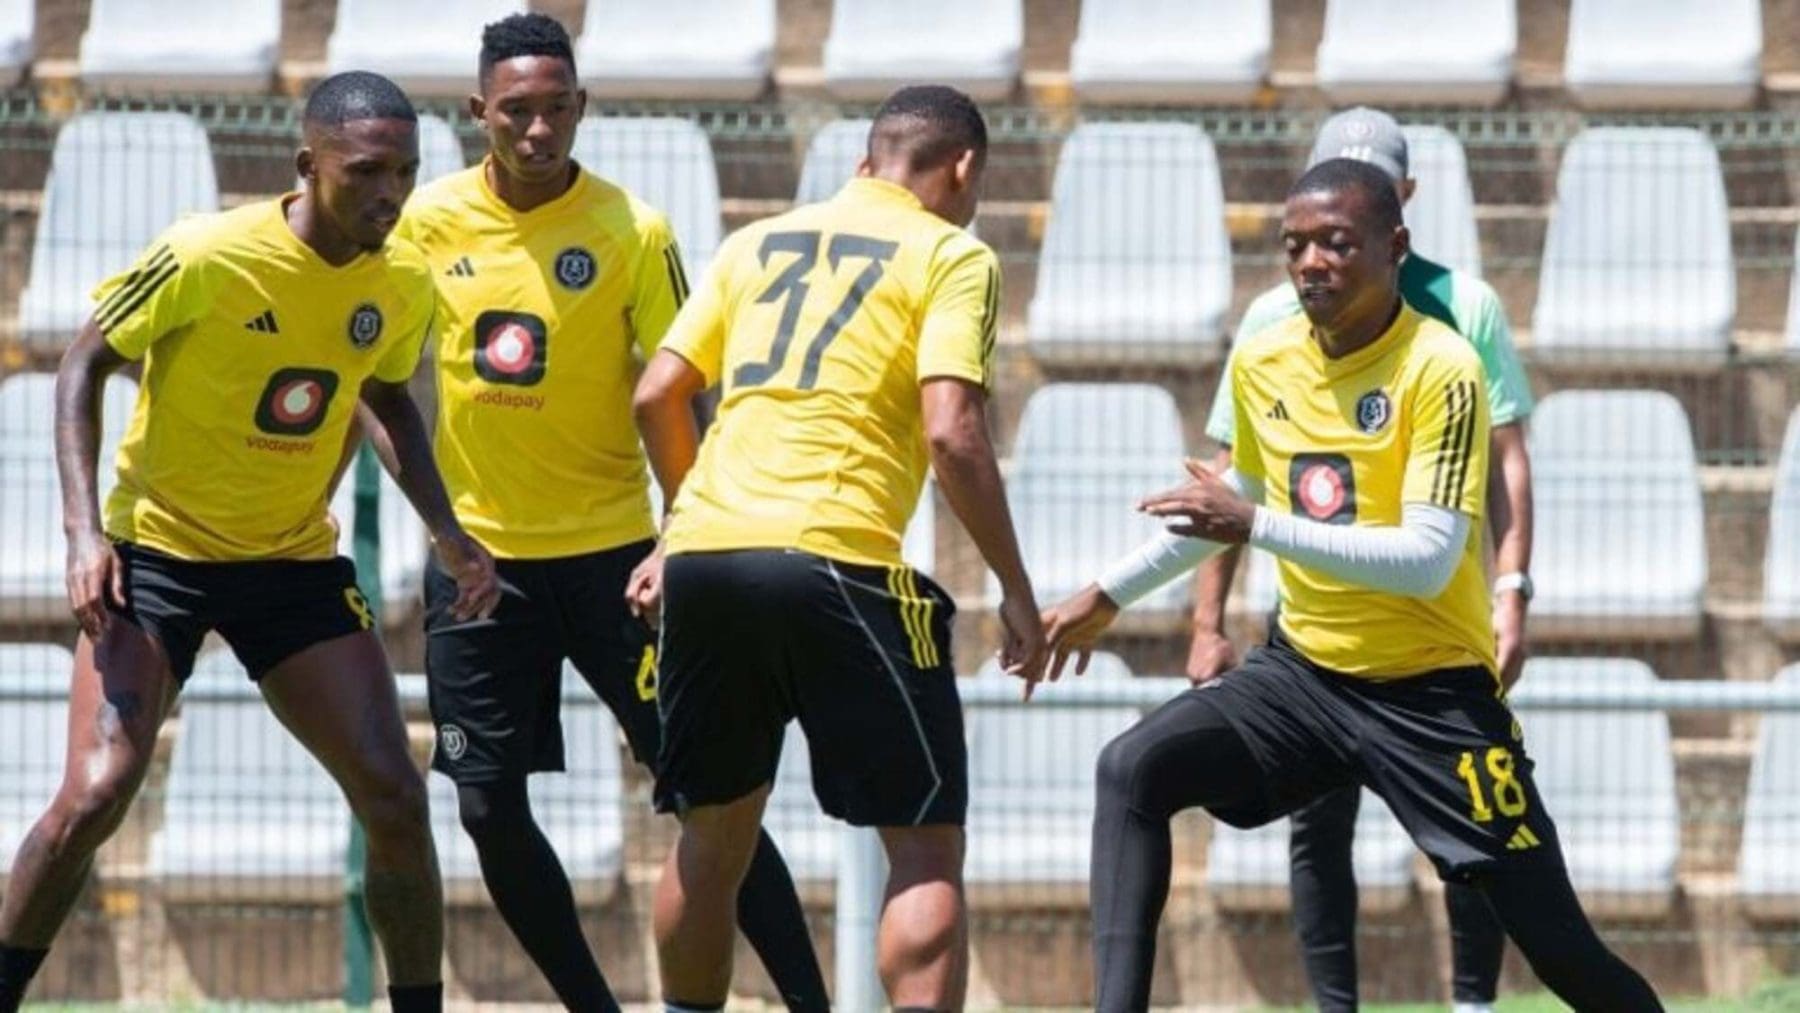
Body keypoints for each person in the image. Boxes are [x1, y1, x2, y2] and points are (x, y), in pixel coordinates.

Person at [1043, 158, 1662, 1013]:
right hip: (1304, 676)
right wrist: (1107, 594)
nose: (1311, 263)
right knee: (1132, 769)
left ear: (1394, 245)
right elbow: (1247, 496)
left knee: (1563, 950)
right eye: (1295, 245)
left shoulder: (1442, 368)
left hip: (1433, 696)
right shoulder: (1264, 360)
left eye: (1337, 242)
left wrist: (1252, 525)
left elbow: (1428, 557)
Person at [0, 72, 500, 1013]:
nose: (391, 194)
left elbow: (385, 394)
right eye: (366, 172)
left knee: (396, 794)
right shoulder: (207, 254)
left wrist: (449, 531)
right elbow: (83, 363)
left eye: (405, 172)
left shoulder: (399, 283)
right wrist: (83, 531)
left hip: (290, 565)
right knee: (98, 793)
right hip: (158, 562)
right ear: (308, 166)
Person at [375, 13, 827, 1011]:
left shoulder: (634, 230)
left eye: (557, 109)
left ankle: (810, 1001)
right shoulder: (424, 225)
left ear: (583, 108)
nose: (539, 131)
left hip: (622, 562)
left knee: (714, 802)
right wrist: (442, 526)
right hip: (479, 572)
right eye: (517, 112)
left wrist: (682, 534)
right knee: (486, 803)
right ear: (478, 113)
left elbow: (685, 390)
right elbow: (374, 378)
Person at [630, 85, 1048, 1013]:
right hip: (838, 563)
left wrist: (679, 528)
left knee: (711, 836)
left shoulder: (754, 243)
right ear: (965, 168)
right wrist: (1016, 589)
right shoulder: (953, 254)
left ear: (866, 160)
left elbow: (658, 393)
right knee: (925, 840)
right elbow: (952, 433)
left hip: (707, 558)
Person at [1185, 107, 1535, 1013]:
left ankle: (1473, 1003)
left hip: (1434, 619)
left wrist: (1512, 586)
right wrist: (1206, 622)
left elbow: (1507, 465)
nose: (1314, 259)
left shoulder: (1463, 311)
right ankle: (1331, 1005)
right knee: (1318, 825)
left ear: (1399, 202)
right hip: (1314, 621)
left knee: (1469, 829)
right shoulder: (1271, 316)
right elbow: (1233, 477)